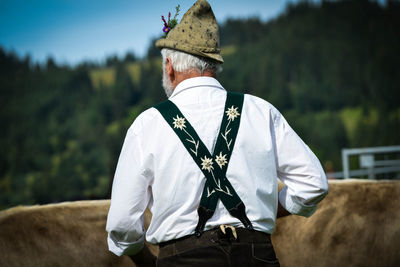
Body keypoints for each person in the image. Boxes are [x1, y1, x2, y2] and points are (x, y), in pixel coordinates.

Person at [106, 0, 329, 266]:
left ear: (169, 66)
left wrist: (144, 260)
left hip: (181, 260)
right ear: (213, 64)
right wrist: (271, 208)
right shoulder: (260, 111)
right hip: (256, 257)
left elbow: (122, 224)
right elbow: (313, 184)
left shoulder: (147, 125)